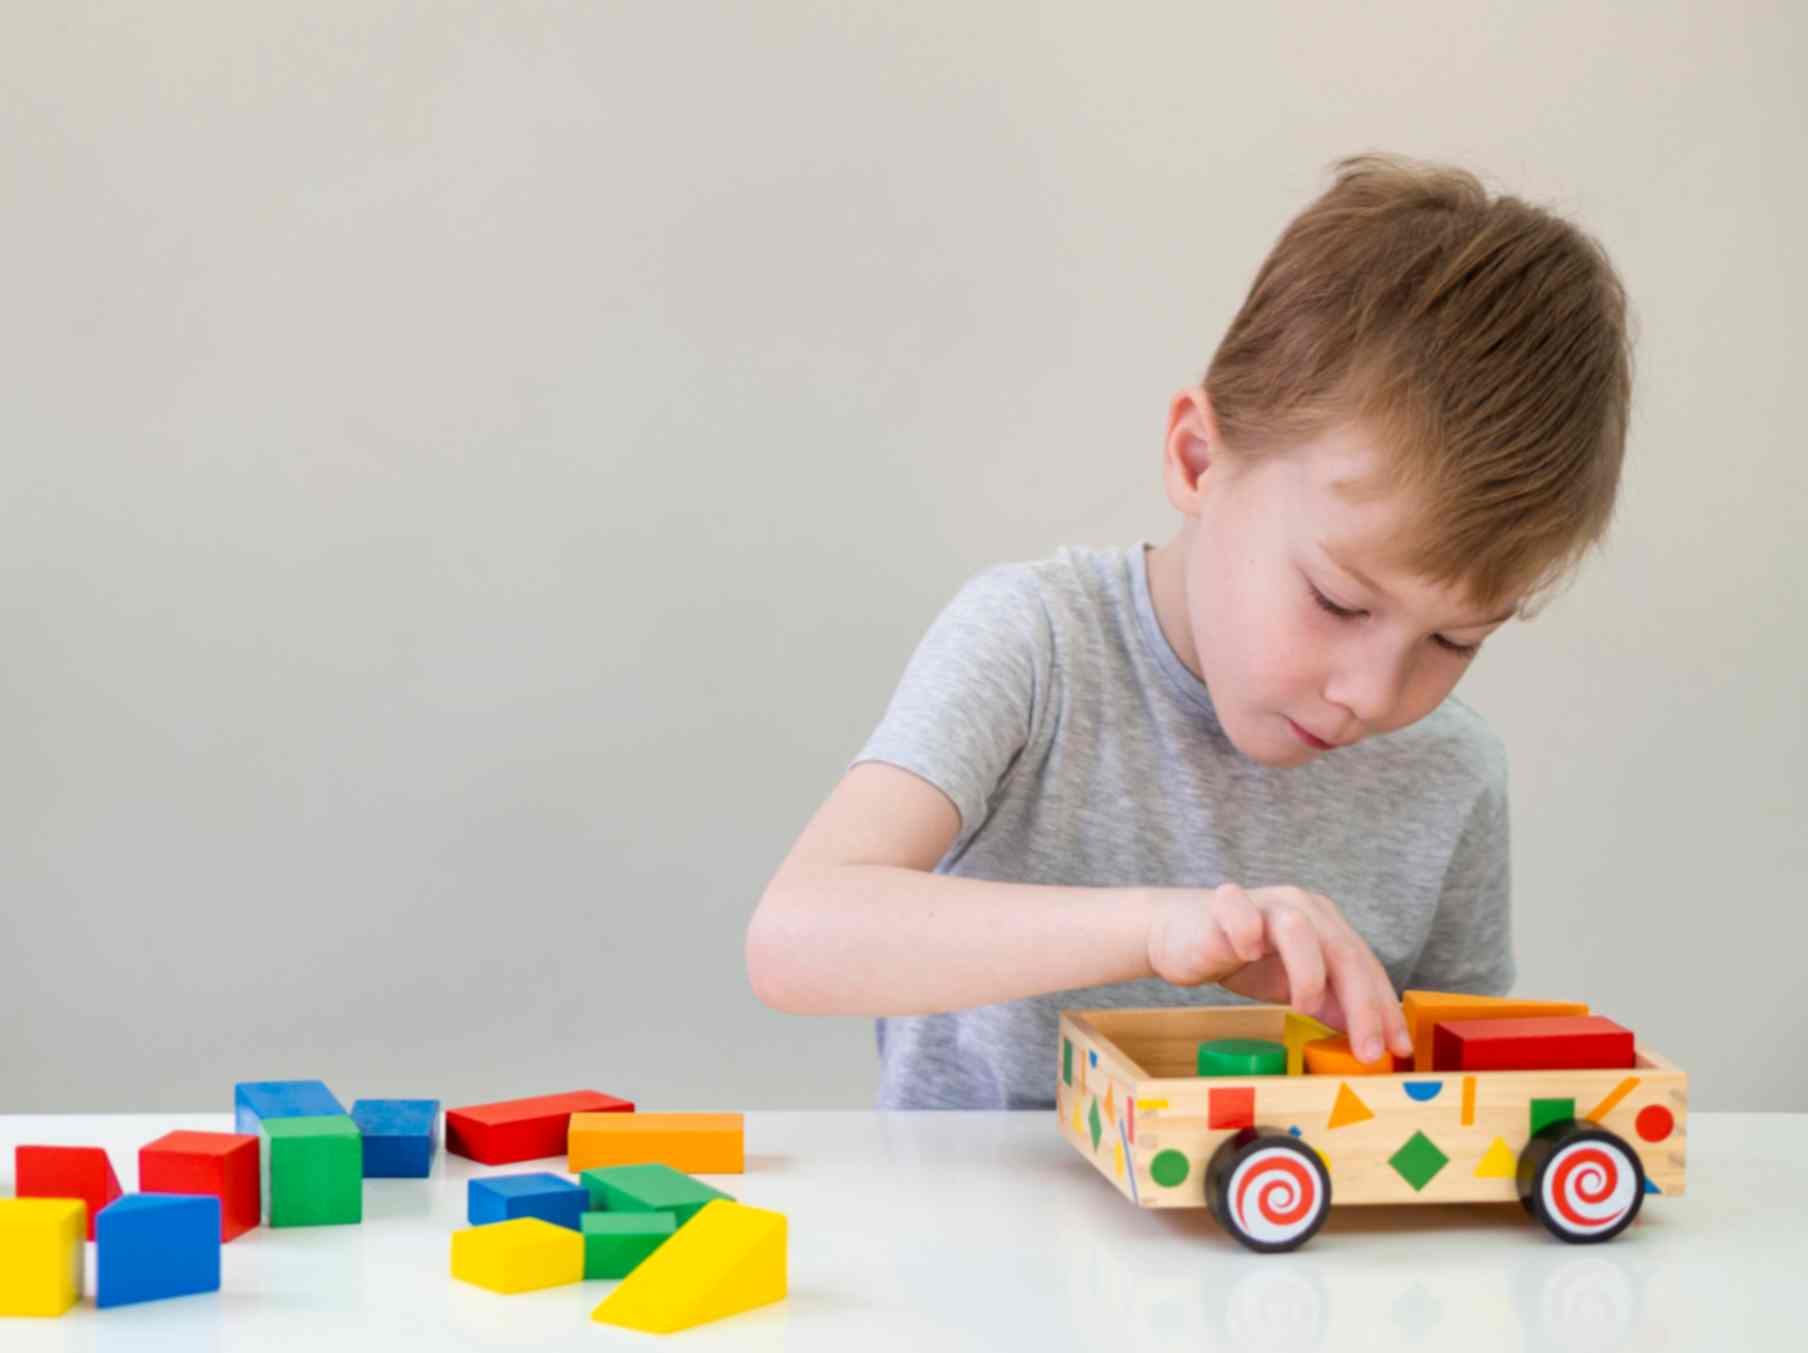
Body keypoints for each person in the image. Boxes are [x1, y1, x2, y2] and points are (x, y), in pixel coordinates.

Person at [745, 152, 1633, 1110]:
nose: (1376, 696)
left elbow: (1452, 1099)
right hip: (972, 1246)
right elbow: (797, 936)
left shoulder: (1450, 773)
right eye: (1339, 600)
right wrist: (1157, 927)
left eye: (1454, 643)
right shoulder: (1036, 646)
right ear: (1200, 460)